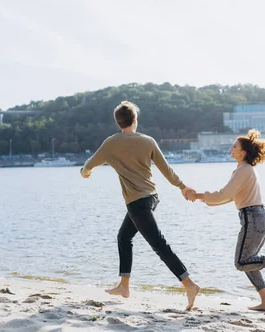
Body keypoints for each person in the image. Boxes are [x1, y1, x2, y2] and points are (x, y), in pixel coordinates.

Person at [80, 101, 200, 310]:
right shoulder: (148, 141)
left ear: (118, 123)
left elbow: (87, 166)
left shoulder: (110, 143)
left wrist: (86, 173)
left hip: (137, 203)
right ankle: (124, 286)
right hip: (151, 198)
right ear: (135, 120)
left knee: (159, 244)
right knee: (123, 237)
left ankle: (189, 284)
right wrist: (182, 187)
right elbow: (167, 170)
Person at [184, 129, 265, 312]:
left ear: (243, 152)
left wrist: (198, 195)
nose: (231, 148)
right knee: (250, 261)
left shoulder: (243, 171)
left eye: (234, 146)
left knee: (241, 263)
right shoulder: (245, 170)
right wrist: (202, 198)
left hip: (253, 218)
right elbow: (228, 197)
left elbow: (223, 194)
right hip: (261, 217)